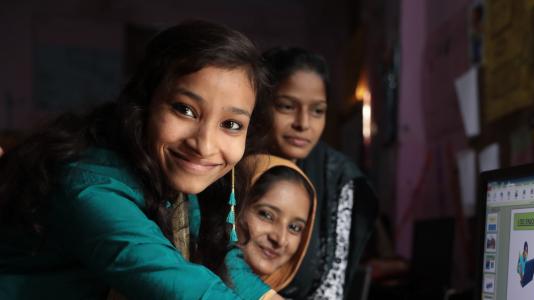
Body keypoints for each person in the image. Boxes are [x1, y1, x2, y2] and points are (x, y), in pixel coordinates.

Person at [0, 20, 278, 299]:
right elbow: (179, 287)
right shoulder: (90, 186)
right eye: (185, 110)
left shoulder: (172, 178)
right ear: (145, 104)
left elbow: (224, 262)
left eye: (231, 124)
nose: (204, 146)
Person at [260, 47, 379, 299]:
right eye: (286, 106)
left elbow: (331, 288)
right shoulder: (231, 161)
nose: (303, 124)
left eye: (317, 111)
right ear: (262, 104)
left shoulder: (338, 179)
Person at [197, 154, 317, 297]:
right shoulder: (191, 281)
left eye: (294, 228)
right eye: (266, 215)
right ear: (233, 208)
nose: (280, 239)